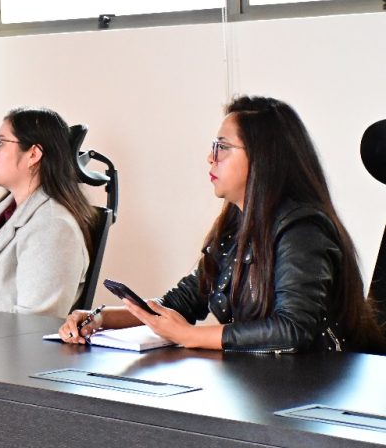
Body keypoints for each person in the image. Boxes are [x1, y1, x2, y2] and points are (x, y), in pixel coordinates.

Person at [59, 95, 385, 353]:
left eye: (223, 147)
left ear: (262, 157)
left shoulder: (302, 229)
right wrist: (99, 318)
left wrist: (190, 336)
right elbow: (179, 305)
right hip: (264, 385)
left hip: (315, 391)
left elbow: (293, 329)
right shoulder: (235, 223)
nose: (210, 157)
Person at [0, 107, 97, 318]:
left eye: (0, 143)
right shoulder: (0, 213)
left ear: (33, 154)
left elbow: (34, 325)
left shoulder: (53, 227)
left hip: (0, 349)